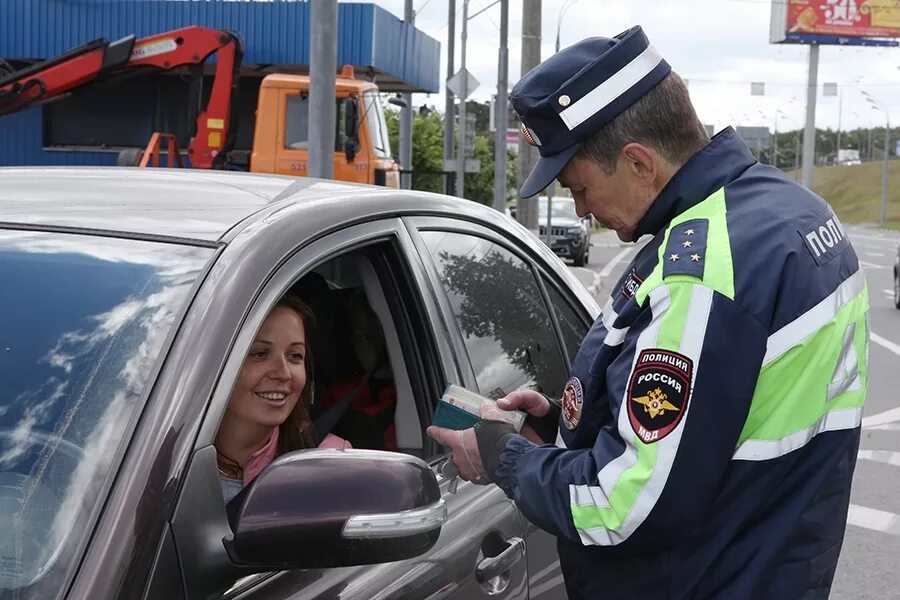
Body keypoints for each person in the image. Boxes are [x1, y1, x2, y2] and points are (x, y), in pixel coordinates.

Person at [427, 25, 869, 600]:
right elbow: (728, 411)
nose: (581, 211)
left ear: (639, 162)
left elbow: (622, 506)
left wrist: (504, 457)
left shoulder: (705, 269)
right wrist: (559, 428)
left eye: (579, 187)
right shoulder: (792, 211)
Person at [215, 295, 350, 504]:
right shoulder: (157, 453)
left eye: (295, 356)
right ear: (215, 366)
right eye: (259, 353)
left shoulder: (330, 460)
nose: (284, 373)